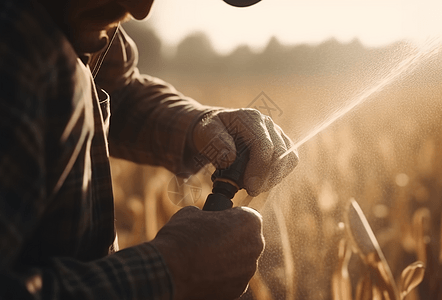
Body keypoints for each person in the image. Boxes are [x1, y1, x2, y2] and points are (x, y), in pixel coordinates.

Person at [0, 0, 299, 299]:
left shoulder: (85, 14)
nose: (141, 10)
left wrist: (199, 124)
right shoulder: (14, 48)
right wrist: (171, 273)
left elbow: (114, 90)